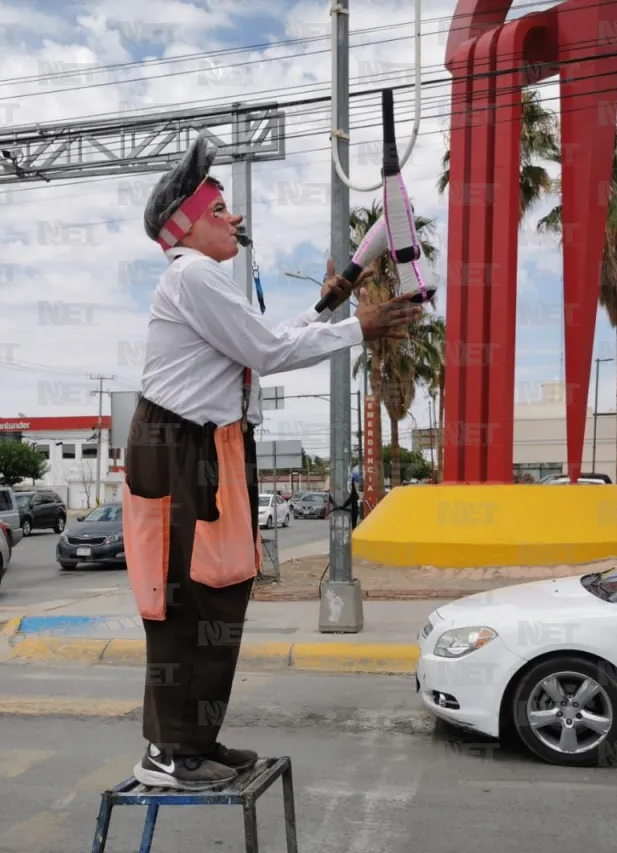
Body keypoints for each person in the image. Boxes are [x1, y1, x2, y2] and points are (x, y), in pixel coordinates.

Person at [123, 136, 422, 791]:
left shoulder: (209, 283)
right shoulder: (191, 275)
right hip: (179, 448)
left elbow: (261, 344)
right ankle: (168, 751)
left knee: (222, 591)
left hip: (214, 446)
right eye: (218, 209)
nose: (232, 219)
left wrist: (331, 302)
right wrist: (357, 326)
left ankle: (196, 740)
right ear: (187, 227)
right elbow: (269, 348)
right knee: (181, 596)